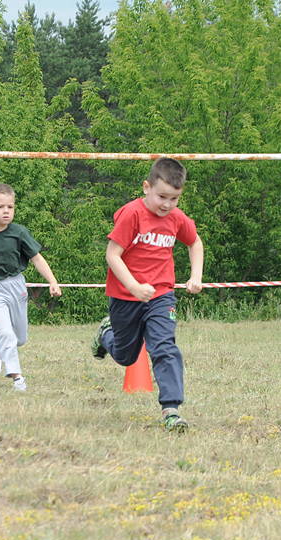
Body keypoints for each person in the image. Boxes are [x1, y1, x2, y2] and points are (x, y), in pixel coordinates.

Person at [91, 158, 204, 432]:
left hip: (161, 296)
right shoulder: (132, 214)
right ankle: (106, 334)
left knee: (165, 347)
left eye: (174, 198)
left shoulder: (177, 219)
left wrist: (195, 276)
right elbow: (112, 255)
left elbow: (195, 242)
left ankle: (171, 410)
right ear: (146, 187)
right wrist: (134, 287)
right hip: (125, 297)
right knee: (126, 356)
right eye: (161, 196)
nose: (166, 204)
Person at [0, 183, 62, 392]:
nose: (6, 211)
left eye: (10, 207)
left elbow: (37, 258)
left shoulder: (19, 232)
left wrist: (52, 281)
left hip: (16, 285)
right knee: (6, 334)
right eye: (0, 207)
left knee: (20, 339)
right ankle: (18, 378)